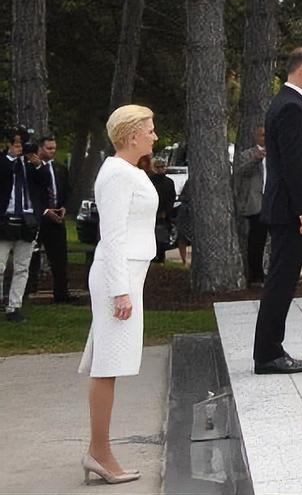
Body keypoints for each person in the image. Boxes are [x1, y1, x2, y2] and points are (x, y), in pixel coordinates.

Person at [80, 105, 159, 485]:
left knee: (109, 364)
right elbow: (110, 235)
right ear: (131, 136)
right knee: (107, 365)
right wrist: (120, 292)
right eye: (149, 130)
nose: (154, 136)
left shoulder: (127, 171)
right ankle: (99, 452)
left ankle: (100, 450)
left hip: (128, 273)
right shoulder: (116, 174)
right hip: (119, 275)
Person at [253, 47, 302, 375]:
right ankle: (269, 354)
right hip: (291, 212)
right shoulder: (291, 107)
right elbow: (293, 165)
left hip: (290, 210)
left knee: (282, 281)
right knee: (281, 282)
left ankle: (270, 349)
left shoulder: (294, 104)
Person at [1, 129, 42, 322]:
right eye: (16, 144)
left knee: (22, 267)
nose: (20, 148)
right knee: (0, 266)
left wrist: (38, 166)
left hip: (27, 220)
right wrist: (11, 157)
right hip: (5, 219)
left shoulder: (31, 164)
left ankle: (14, 306)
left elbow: (44, 185)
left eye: (22, 144)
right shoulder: (4, 161)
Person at [30, 134, 75, 303]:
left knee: (59, 258)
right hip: (38, 218)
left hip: (56, 217)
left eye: (54, 148)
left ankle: (62, 294)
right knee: (32, 255)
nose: (52, 151)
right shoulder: (32, 168)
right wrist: (44, 210)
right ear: (40, 148)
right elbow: (31, 193)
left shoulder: (60, 168)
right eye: (48, 148)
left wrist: (64, 207)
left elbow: (67, 190)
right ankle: (28, 291)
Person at [233, 128, 268, 285]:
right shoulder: (247, 154)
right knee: (256, 241)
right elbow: (241, 172)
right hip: (256, 204)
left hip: (273, 201)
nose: (265, 138)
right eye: (262, 135)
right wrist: (256, 159)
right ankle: (256, 275)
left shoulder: (277, 153)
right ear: (256, 136)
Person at [144, 157, 176, 264]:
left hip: (164, 216)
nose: (160, 169)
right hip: (150, 215)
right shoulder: (149, 181)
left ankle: (161, 258)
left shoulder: (169, 182)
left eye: (162, 167)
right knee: (150, 238)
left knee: (162, 240)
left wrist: (166, 212)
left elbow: (172, 198)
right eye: (158, 167)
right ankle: (152, 257)